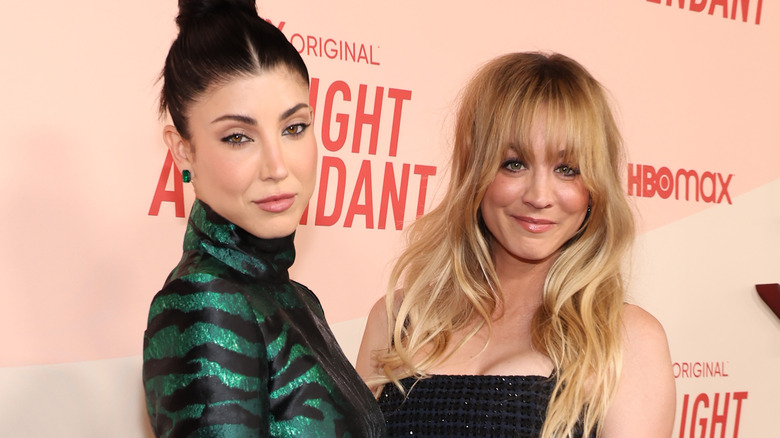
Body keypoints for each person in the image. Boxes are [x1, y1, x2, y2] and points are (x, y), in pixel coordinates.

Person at [356, 52, 676, 437]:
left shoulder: (625, 338)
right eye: (514, 164)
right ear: (476, 168)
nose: (540, 196)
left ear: (595, 186)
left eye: (566, 169)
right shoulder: (398, 320)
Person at [142, 1, 386, 436]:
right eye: (238, 137)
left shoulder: (295, 299)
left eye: (294, 128)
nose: (277, 167)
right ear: (183, 149)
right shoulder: (206, 302)